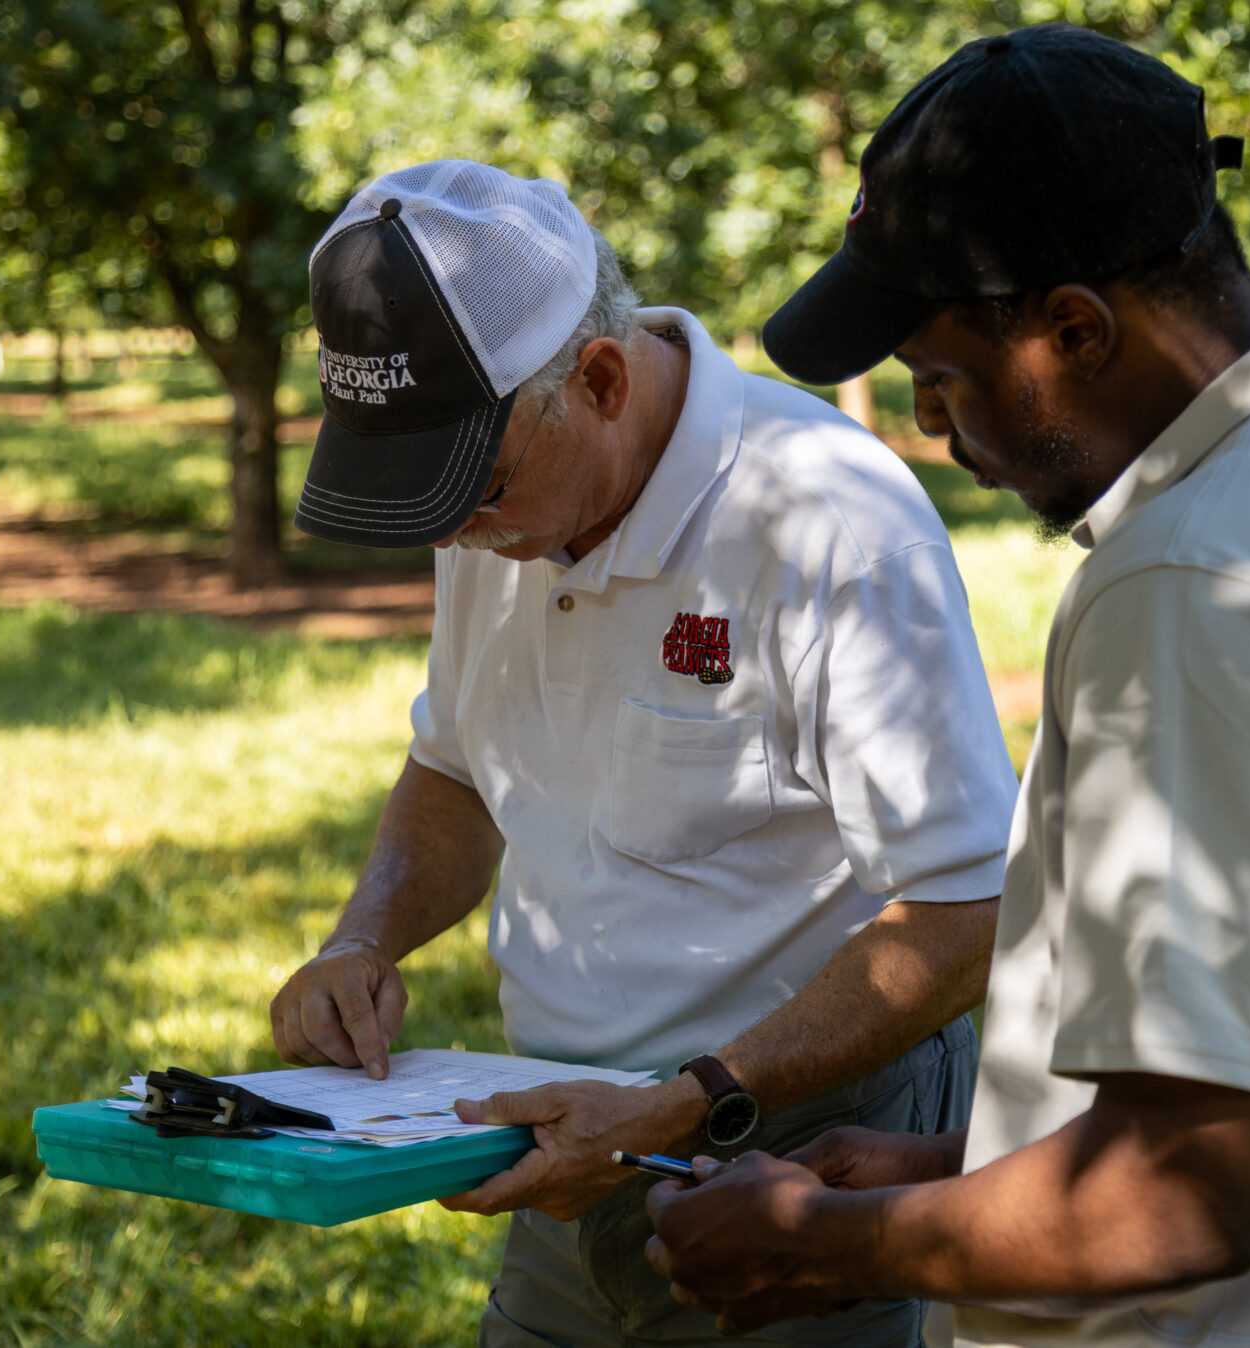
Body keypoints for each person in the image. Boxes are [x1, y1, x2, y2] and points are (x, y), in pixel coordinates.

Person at [644, 24, 1250, 1348]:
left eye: (944, 384)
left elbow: (1178, 1200)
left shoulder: (1194, 581)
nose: (945, 441)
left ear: (1071, 329)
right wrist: (970, 1163)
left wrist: (821, 1245)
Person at [269, 159, 1021, 1346]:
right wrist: (360, 940)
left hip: (800, 1159)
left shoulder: (825, 517)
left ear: (602, 379)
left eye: (474, 487)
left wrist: (677, 1111)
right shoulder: (498, 510)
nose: (457, 530)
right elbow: (457, 767)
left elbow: (964, 906)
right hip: (558, 1150)